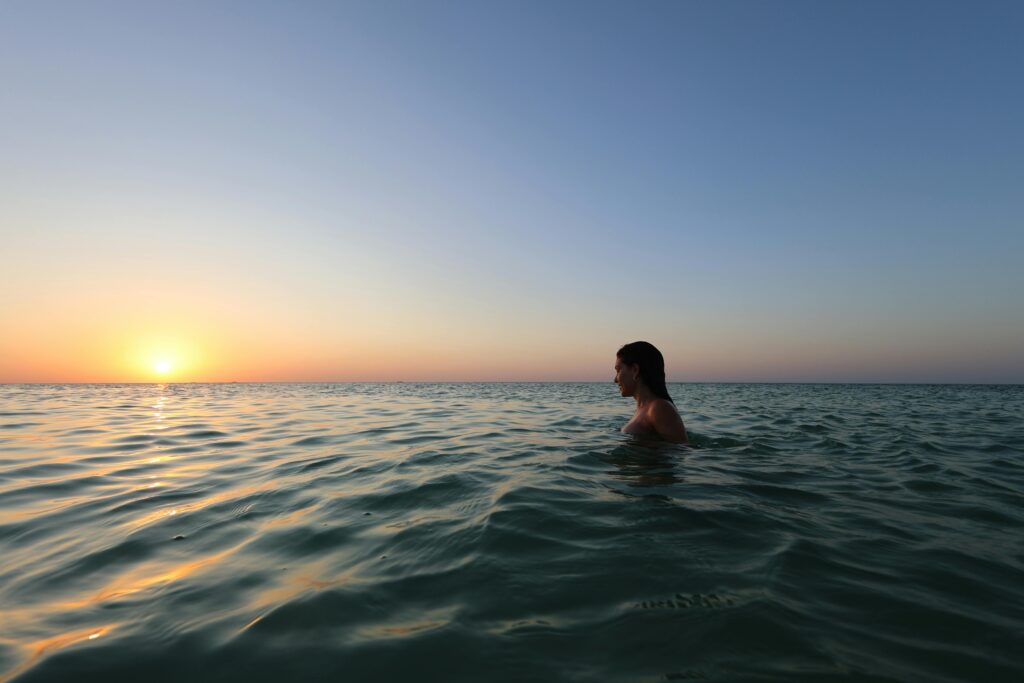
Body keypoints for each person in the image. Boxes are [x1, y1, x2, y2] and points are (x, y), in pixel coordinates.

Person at [614, 341, 688, 443]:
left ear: (635, 370)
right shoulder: (643, 410)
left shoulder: (658, 408)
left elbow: (682, 450)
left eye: (618, 370)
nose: (615, 379)